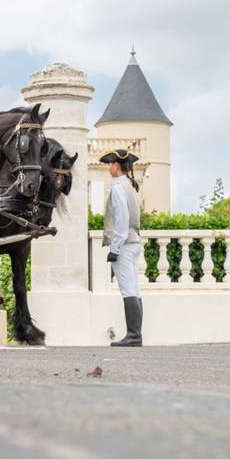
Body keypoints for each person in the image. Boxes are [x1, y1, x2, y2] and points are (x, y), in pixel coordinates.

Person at [101, 148, 144, 347]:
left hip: (125, 245)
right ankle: (136, 335)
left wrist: (115, 248)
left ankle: (133, 336)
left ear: (117, 166)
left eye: (110, 164)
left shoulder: (118, 187)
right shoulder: (131, 186)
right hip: (134, 242)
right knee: (134, 289)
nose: (109, 168)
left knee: (128, 290)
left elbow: (122, 220)